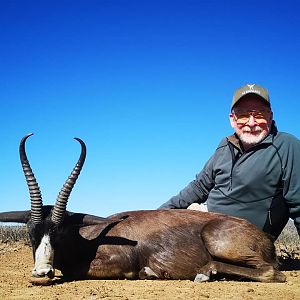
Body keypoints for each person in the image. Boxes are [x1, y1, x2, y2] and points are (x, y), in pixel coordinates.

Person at [159, 83, 300, 240]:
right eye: (243, 115)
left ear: (270, 116)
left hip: (241, 238)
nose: (251, 123)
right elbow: (198, 187)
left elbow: (299, 204)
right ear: (232, 119)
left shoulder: (286, 145)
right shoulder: (225, 145)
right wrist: (158, 214)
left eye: (259, 114)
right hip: (204, 220)